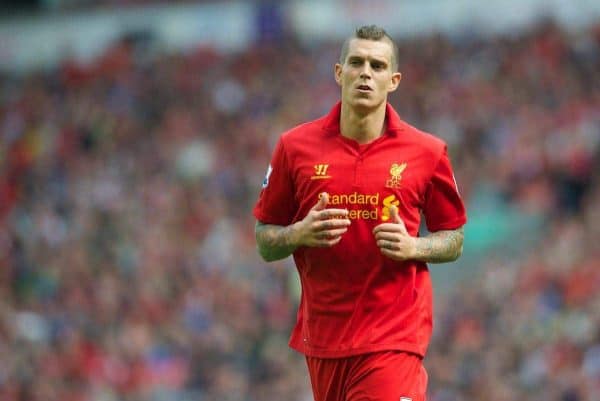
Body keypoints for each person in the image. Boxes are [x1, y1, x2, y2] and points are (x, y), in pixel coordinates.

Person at [253, 25, 466, 401]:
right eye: (356, 62)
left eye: (377, 65)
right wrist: (297, 234)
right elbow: (265, 241)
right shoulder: (294, 147)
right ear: (339, 72)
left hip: (394, 337)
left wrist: (414, 247)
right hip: (324, 341)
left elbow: (454, 239)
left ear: (394, 80)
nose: (366, 72)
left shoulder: (427, 152)